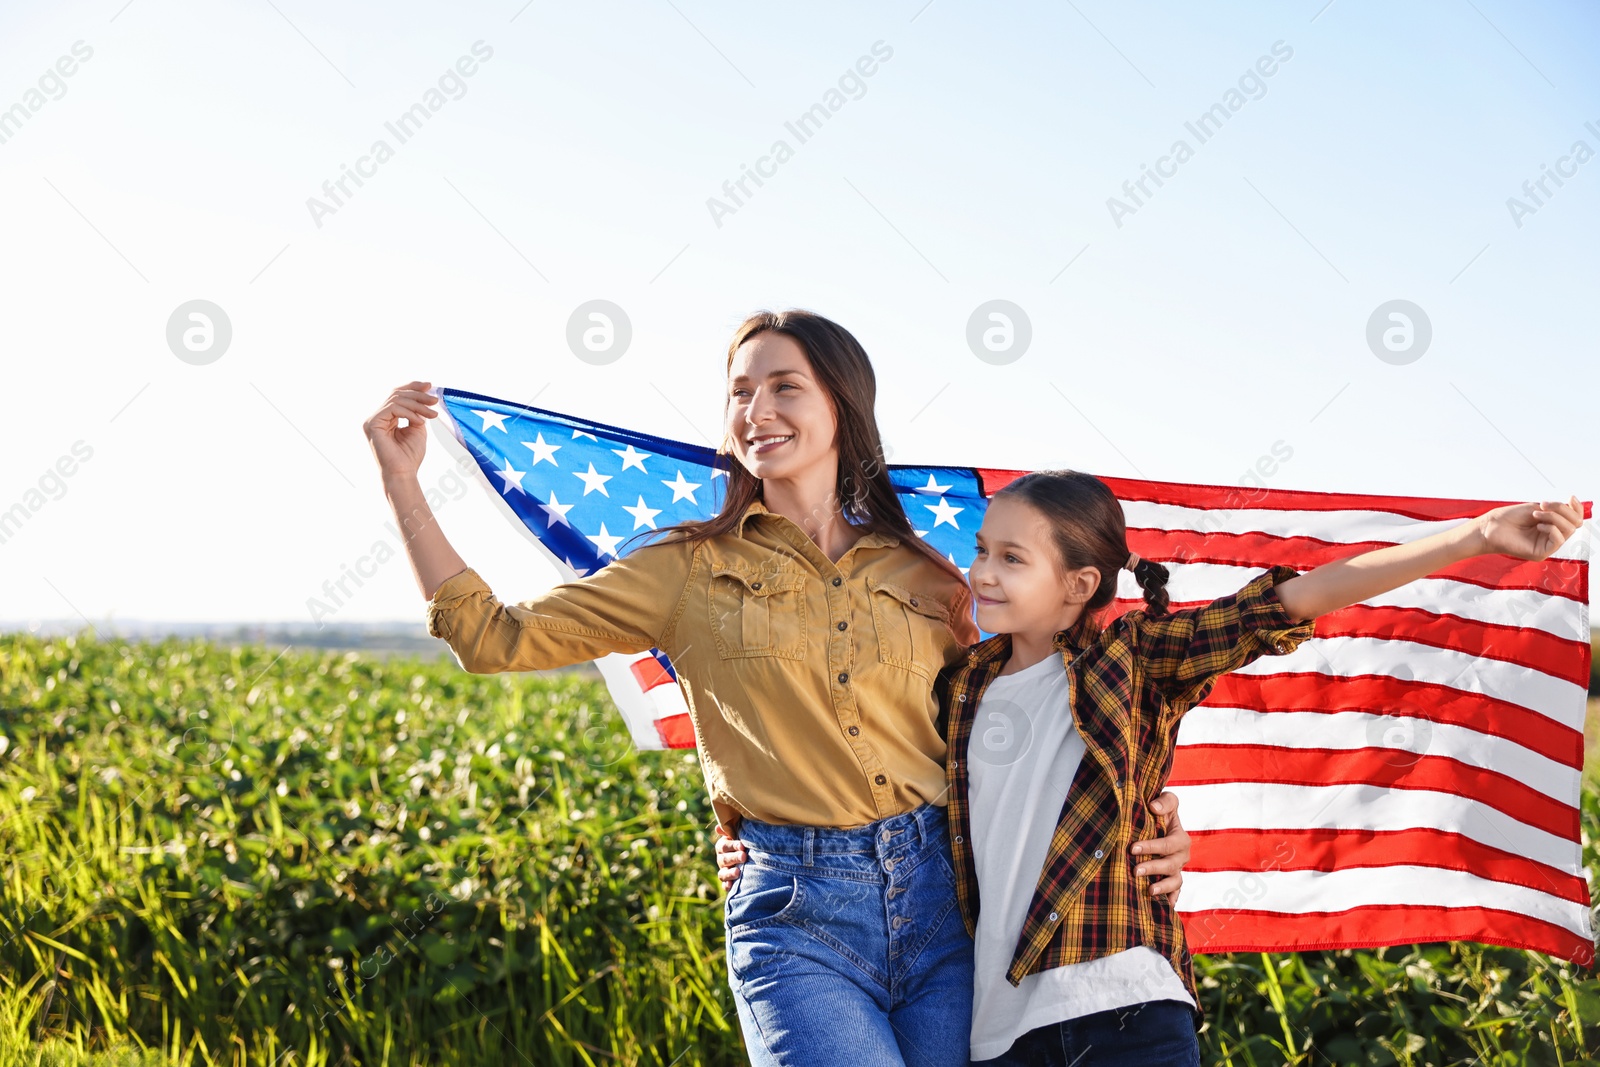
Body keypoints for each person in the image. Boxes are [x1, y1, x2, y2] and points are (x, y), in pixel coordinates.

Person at [362, 310, 1193, 1066]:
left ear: (842, 405)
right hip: (797, 916)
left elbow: (1029, 715)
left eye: (783, 387)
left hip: (949, 907)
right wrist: (403, 481)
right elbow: (491, 637)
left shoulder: (932, 576)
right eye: (739, 392)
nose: (756, 409)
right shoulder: (682, 567)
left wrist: (1146, 812)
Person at [725, 468, 1579, 1066]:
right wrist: (751, 841)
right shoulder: (961, 684)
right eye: (983, 549)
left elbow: (1289, 601)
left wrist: (1472, 535)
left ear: (1079, 584)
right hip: (995, 1030)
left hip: (1123, 1006)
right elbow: (848, 754)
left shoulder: (1130, 664)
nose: (980, 571)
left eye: (1012, 559)